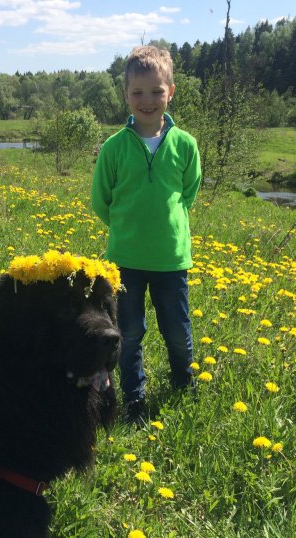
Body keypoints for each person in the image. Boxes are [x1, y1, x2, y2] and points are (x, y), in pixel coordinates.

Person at [91, 45, 202, 425]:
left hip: (172, 260)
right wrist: (127, 230)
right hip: (125, 261)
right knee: (129, 332)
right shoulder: (114, 148)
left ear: (171, 91)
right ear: (126, 96)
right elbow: (100, 201)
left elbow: (189, 191)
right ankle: (134, 399)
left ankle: (183, 386)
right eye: (138, 92)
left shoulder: (186, 145)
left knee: (176, 330)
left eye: (156, 91)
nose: (147, 100)